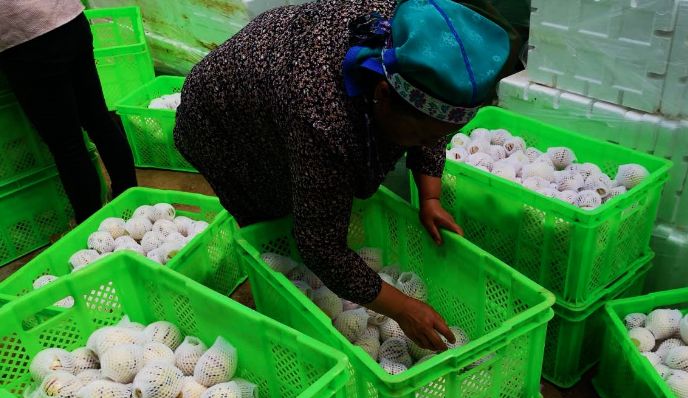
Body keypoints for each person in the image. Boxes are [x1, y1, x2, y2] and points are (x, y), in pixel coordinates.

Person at [174, 0, 510, 351]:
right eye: (423, 136)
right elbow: (320, 245)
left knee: (314, 201)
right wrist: (402, 309)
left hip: (280, 85)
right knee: (275, 211)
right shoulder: (323, 115)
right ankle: (283, 300)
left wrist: (430, 196)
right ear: (382, 94)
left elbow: (431, 121)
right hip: (225, 123)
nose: (430, 143)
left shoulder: (415, 49)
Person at [0, 0, 138, 223]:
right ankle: (131, 199)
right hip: (70, 20)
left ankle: (91, 224)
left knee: (68, 145)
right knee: (98, 120)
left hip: (27, 42)